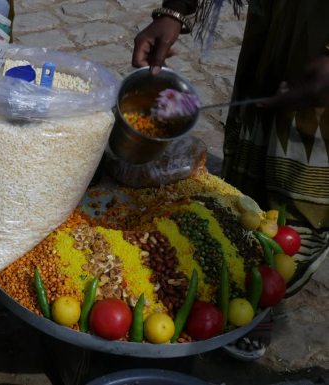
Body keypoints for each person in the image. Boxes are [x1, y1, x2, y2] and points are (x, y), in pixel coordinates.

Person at [133, 0, 329, 357]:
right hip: (281, 18)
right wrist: (175, 12)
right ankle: (246, 268)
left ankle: (268, 285)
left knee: (300, 171)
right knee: (253, 153)